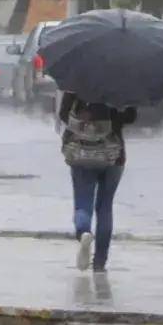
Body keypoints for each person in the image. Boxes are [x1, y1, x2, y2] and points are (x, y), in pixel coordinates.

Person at [58, 91, 136, 272]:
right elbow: (131, 116)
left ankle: (84, 232)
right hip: (113, 155)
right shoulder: (123, 84)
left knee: (83, 203)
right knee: (105, 207)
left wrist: (85, 122)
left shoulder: (77, 83)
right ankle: (100, 262)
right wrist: (114, 119)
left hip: (81, 151)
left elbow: (63, 113)